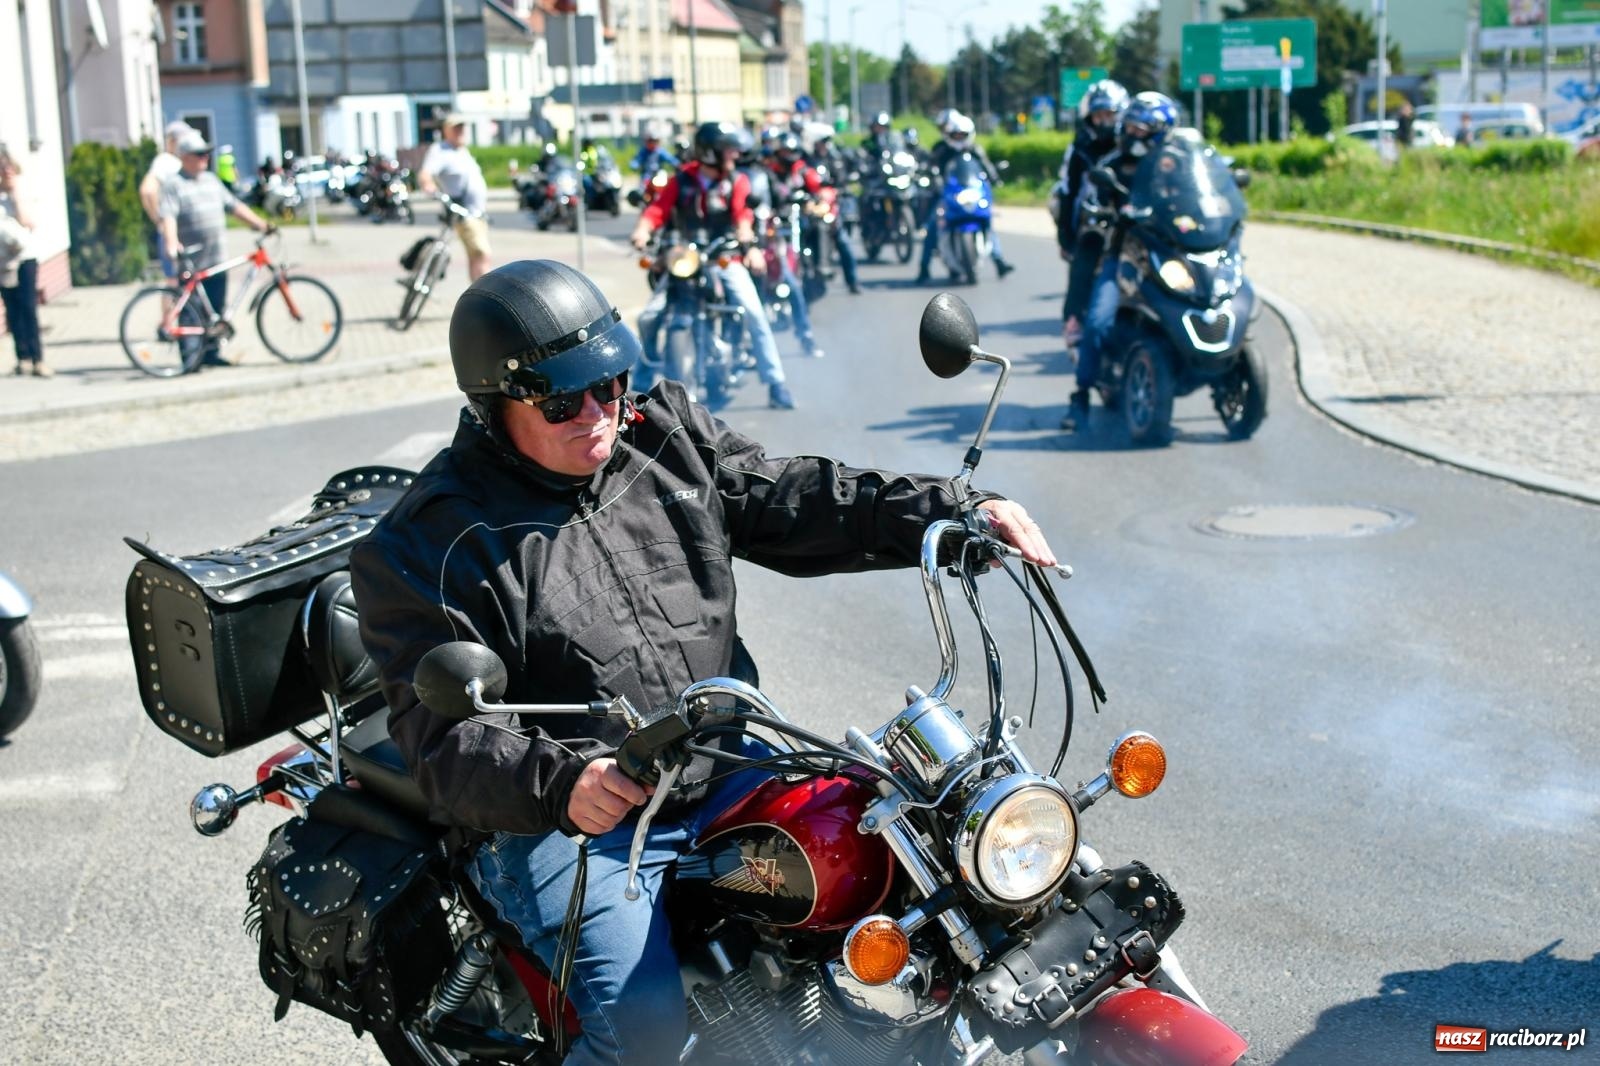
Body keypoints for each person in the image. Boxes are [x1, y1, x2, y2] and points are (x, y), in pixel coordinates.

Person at [348, 257, 1058, 1066]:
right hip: (577, 824)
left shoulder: (664, 437)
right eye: (562, 400)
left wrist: (953, 512)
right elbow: (441, 737)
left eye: (609, 383)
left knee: (903, 864)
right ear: (492, 402)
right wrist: (563, 783)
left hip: (725, 761)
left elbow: (792, 495)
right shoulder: (425, 546)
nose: (598, 413)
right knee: (644, 1039)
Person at [630, 120, 795, 410]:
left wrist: (749, 245)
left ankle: (776, 383)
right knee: (650, 316)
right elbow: (657, 210)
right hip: (685, 259)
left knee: (753, 312)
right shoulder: (681, 180)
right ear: (710, 152)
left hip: (724, 257)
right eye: (729, 150)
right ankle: (639, 389)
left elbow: (742, 217)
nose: (735, 155)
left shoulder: (736, 182)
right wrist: (642, 230)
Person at [1061, 91, 1177, 433]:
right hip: (1124, 253)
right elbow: (1091, 200)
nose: (1133, 134)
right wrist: (1104, 211)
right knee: (1098, 321)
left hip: (1170, 254)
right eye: (1130, 126)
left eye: (1142, 128)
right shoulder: (1112, 164)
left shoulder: (1177, 164)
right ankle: (1081, 395)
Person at [158, 129, 274, 370]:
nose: (205, 158)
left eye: (206, 154)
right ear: (185, 157)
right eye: (199, 154)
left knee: (215, 308)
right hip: (192, 259)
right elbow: (168, 216)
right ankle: (191, 359)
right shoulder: (174, 184)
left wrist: (260, 224)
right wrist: (171, 242)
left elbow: (234, 206)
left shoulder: (211, 181)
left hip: (217, 258)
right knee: (192, 311)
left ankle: (211, 354)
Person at [1056, 79, 1129, 348]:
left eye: (1109, 114)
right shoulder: (1080, 147)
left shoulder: (1135, 142)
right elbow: (1069, 190)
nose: (1104, 121)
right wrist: (1065, 232)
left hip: (1138, 216)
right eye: (1098, 115)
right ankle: (1073, 319)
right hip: (1099, 215)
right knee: (1087, 250)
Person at [916, 112, 1014, 284]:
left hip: (971, 192)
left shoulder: (976, 150)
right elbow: (931, 167)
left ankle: (999, 261)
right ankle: (924, 268)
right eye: (956, 135)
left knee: (987, 222)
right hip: (947, 195)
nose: (959, 138)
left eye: (963, 135)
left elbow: (987, 167)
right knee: (933, 225)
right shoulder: (941, 150)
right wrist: (932, 178)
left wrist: (995, 178)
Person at [761, 132, 824, 355]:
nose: (788, 156)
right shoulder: (766, 176)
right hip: (770, 236)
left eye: (792, 152)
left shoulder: (802, 171)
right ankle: (749, 345)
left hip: (796, 225)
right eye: (784, 152)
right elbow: (760, 202)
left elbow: (818, 189)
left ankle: (805, 335)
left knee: (795, 283)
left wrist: (817, 200)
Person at [419, 112, 491, 280]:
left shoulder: (461, 150)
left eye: (462, 127)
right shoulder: (440, 151)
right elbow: (425, 173)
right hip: (465, 214)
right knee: (482, 253)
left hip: (477, 213)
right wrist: (428, 185)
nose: (461, 131)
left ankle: (477, 289)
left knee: (476, 257)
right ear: (446, 130)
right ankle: (485, 290)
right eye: (456, 128)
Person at [0, 151, 48, 377]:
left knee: (28, 307)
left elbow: (27, 221)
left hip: (25, 257)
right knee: (12, 309)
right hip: (4, 261)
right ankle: (23, 358)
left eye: (8, 167)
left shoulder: (22, 190)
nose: (6, 172)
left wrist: (15, 194)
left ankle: (38, 358)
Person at [801, 128, 861, 295]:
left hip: (831, 209)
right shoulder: (805, 162)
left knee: (844, 243)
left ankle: (853, 281)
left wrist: (838, 191)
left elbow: (842, 180)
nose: (824, 145)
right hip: (810, 210)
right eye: (822, 142)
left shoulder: (834, 159)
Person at [141, 121, 195, 281]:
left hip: (180, 230)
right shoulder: (166, 161)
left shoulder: (174, 161)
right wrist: (160, 221)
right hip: (174, 232)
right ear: (173, 141)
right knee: (175, 282)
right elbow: (147, 190)